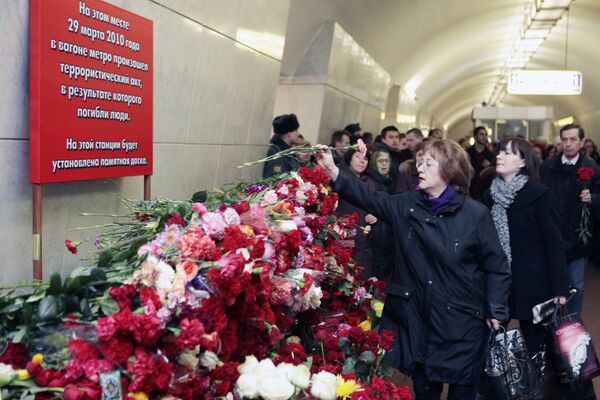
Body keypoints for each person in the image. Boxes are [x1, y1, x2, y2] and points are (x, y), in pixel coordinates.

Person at [315, 140, 510, 400]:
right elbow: (369, 198)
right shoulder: (406, 205)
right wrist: (333, 170)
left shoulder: (475, 214)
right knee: (425, 389)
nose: (421, 168)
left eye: (429, 163)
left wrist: (496, 309)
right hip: (420, 322)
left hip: (463, 323)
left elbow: (496, 267)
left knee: (463, 392)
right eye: (420, 162)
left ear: (450, 171)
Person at [482, 138, 569, 357]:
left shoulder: (539, 194)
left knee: (537, 349)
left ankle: (539, 391)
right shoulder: (489, 196)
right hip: (499, 282)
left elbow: (554, 243)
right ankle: (496, 391)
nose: (500, 156)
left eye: (509, 153)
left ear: (523, 162)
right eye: (500, 152)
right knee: (490, 345)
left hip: (533, 284)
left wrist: (560, 288)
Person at [540, 124, 600, 315]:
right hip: (551, 235)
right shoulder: (548, 167)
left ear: (582, 142)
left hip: (577, 237)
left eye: (573, 139)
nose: (568, 144)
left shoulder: (591, 167)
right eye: (564, 139)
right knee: (549, 285)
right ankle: (549, 328)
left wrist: (594, 198)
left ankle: (572, 326)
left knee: (576, 285)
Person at [336, 148, 375, 278]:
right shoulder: (340, 178)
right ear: (349, 159)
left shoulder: (370, 183)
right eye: (358, 157)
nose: (362, 161)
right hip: (343, 236)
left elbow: (377, 206)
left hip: (363, 242)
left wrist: (376, 216)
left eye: (365, 159)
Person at [364, 149, 395, 279]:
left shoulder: (389, 181)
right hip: (375, 235)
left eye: (387, 161)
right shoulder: (369, 181)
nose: (384, 164)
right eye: (380, 161)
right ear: (373, 163)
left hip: (385, 233)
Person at [262, 114, 302, 178]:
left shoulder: (286, 151)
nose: (298, 134)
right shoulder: (276, 154)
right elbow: (275, 181)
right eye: (296, 131)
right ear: (289, 133)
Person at [467, 126, 495, 200]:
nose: (484, 137)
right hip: (471, 188)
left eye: (485, 134)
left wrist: (489, 167)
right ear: (475, 136)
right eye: (481, 134)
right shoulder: (467, 152)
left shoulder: (490, 154)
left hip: (485, 188)